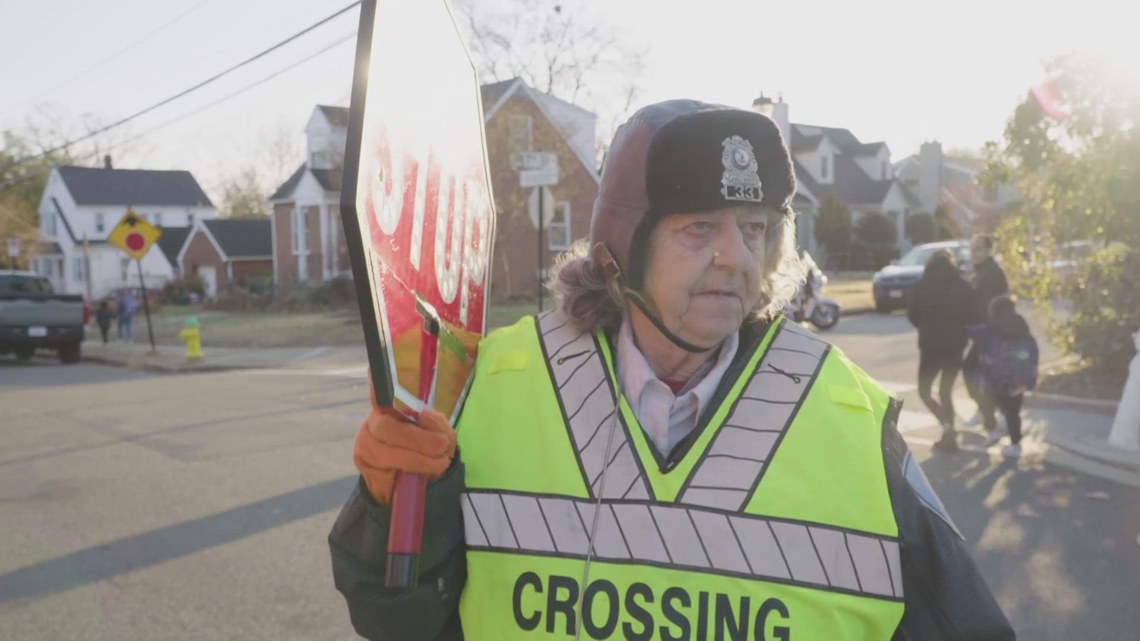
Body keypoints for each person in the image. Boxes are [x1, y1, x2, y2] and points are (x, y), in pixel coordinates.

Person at [329, 100, 1014, 640]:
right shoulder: (489, 384)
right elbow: (401, 621)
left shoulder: (853, 418)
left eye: (753, 228)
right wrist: (389, 514)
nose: (735, 256)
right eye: (698, 229)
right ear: (620, 247)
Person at [906, 249, 978, 453]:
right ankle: (950, 434)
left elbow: (913, 315)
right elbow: (973, 314)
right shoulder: (963, 287)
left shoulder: (920, 287)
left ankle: (946, 428)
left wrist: (926, 326)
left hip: (930, 346)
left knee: (925, 391)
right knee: (946, 391)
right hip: (955, 345)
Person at [970, 295, 1039, 458]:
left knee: (987, 404)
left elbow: (971, 333)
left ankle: (992, 430)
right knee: (1012, 411)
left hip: (994, 378)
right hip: (1017, 379)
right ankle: (1016, 444)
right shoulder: (1022, 327)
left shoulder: (990, 327)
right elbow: (1033, 351)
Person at [962, 235, 1009, 429]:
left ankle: (990, 413)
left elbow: (993, 305)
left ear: (989, 250)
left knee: (970, 370)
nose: (974, 253)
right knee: (983, 374)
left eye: (979, 249)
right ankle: (989, 412)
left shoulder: (993, 274)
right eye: (972, 249)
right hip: (982, 332)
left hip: (991, 332)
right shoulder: (981, 272)